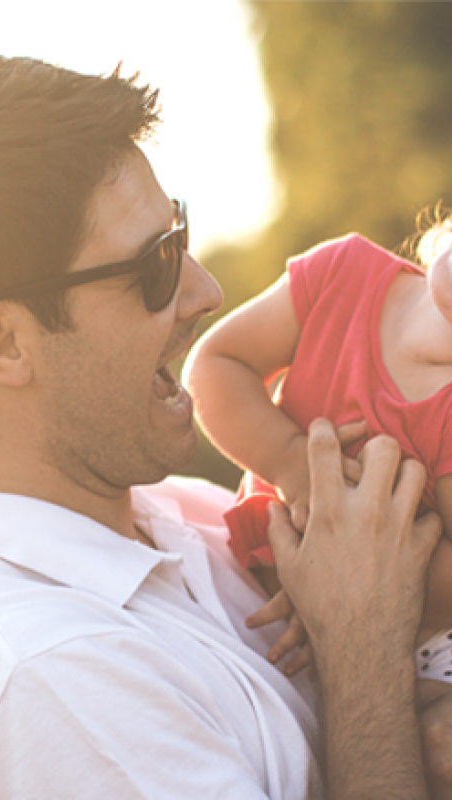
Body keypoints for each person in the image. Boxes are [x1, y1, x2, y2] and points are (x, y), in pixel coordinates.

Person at [0, 52, 440, 799]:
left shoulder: (183, 516)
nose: (206, 291)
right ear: (1, 344)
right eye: (153, 266)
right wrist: (364, 657)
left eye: (178, 234)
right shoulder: (48, 685)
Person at [185, 224, 452, 792]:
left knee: (438, 751)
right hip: (272, 621)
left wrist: (342, 584)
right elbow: (216, 363)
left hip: (422, 651)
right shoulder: (342, 274)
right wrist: (291, 464)